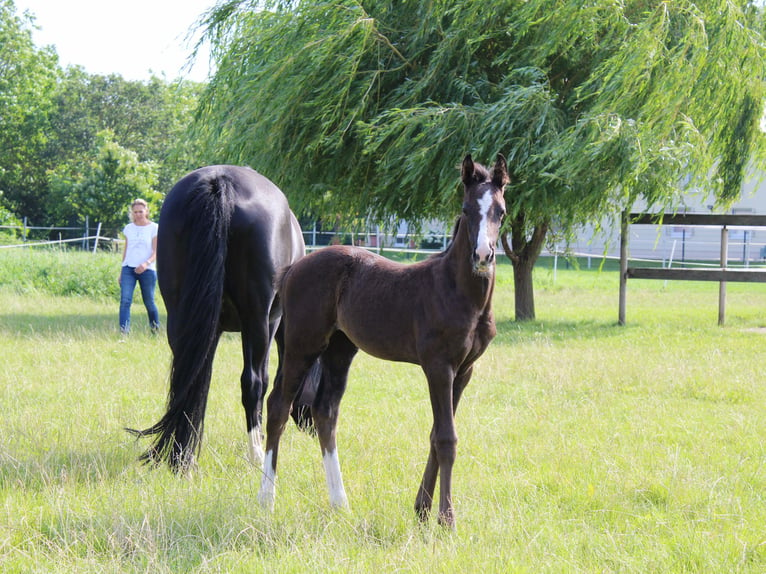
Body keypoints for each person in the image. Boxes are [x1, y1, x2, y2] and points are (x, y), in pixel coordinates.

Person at [119, 198, 160, 335]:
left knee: (149, 301)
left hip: (147, 270)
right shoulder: (128, 229)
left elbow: (156, 251)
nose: (138, 214)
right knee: (125, 301)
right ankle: (124, 332)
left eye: (140, 211)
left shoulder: (154, 228)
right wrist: (121, 270)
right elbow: (126, 250)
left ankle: (155, 329)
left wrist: (146, 263)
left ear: (146, 211)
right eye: (135, 212)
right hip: (128, 269)